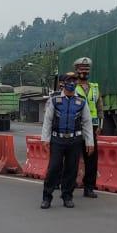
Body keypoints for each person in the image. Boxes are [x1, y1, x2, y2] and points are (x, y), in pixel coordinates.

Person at [41, 72, 94, 209]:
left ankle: (67, 196)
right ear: (63, 83)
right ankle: (47, 197)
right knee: (53, 168)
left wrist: (89, 142)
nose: (72, 83)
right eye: (69, 81)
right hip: (57, 140)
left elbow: (87, 123)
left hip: (74, 140)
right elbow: (48, 120)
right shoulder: (55, 100)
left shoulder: (81, 101)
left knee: (72, 169)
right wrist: (45, 139)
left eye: (74, 80)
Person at [73, 57, 103, 197]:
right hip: (75, 126)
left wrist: (100, 126)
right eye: (81, 70)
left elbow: (100, 108)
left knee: (91, 158)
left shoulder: (95, 88)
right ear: (76, 71)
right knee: (72, 157)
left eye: (86, 70)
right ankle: (69, 183)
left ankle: (89, 187)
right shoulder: (72, 87)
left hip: (92, 126)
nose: (84, 72)